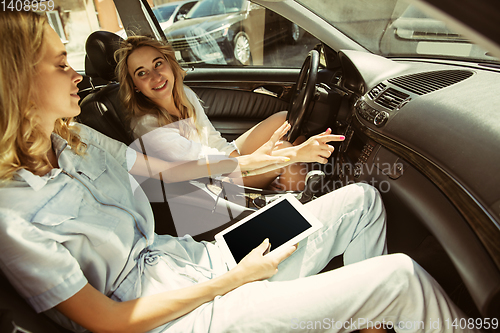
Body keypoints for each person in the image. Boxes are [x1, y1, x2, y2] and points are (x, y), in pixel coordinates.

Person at [0, 11, 474, 333]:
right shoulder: (10, 212)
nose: (77, 75)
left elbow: (182, 173)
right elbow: (108, 322)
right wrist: (235, 279)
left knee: (361, 202)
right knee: (399, 278)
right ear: (17, 79)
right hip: (179, 316)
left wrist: (286, 156)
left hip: (194, 259)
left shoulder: (76, 141)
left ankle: (369, 323)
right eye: (61, 65)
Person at [115, 35, 342, 191]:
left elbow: (212, 139)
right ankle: (300, 203)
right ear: (134, 85)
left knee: (284, 120)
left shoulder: (184, 93)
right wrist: (261, 160)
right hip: (215, 180)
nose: (155, 77)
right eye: (142, 73)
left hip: (222, 157)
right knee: (288, 153)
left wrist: (239, 156)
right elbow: (206, 166)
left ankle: (278, 183)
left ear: (169, 62)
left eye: (158, 64)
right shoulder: (148, 126)